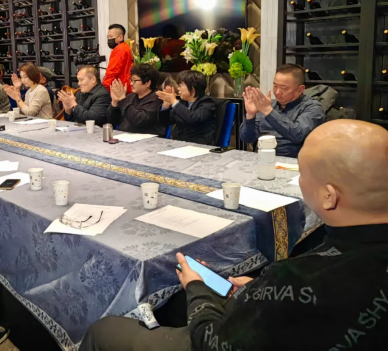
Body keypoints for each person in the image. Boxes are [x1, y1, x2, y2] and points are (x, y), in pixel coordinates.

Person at [80, 119, 388, 351]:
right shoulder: (304, 276)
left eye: (302, 174)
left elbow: (213, 342)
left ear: (328, 197)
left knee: (105, 330)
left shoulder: (297, 277)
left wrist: (197, 288)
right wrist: (259, 290)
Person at [240, 64, 325, 158]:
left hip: (295, 162)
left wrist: (269, 112)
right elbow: (247, 139)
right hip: (263, 159)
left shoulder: (312, 107)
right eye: (275, 86)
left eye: (284, 88)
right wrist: (250, 115)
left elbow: (298, 136)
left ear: (300, 89)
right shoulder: (268, 105)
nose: (277, 92)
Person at [157, 70, 216, 145]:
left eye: (181, 85)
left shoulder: (207, 103)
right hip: (178, 143)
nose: (178, 88)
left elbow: (193, 119)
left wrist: (174, 102)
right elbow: (164, 122)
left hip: (199, 145)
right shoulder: (183, 103)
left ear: (193, 88)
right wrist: (165, 105)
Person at [107, 64, 164, 136]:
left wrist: (122, 99)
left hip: (146, 139)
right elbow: (112, 121)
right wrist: (114, 103)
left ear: (147, 83)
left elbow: (139, 120)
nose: (131, 83)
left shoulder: (156, 99)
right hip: (124, 136)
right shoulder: (130, 97)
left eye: (135, 80)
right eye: (131, 80)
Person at [102, 24, 133, 93]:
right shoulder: (125, 47)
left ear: (120, 37)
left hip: (120, 89)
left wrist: (105, 87)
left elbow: (112, 71)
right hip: (126, 87)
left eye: (111, 36)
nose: (109, 39)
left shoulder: (119, 50)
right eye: (108, 37)